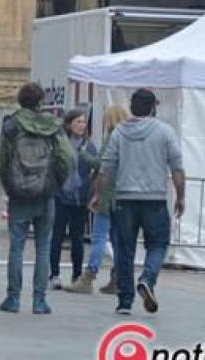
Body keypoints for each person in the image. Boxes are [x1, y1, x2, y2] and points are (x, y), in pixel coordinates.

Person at [91, 89, 185, 315]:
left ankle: (125, 301)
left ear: (132, 107)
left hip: (124, 199)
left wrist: (98, 195)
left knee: (124, 250)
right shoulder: (165, 131)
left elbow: (106, 168)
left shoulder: (119, 133)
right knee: (158, 244)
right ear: (153, 107)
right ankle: (147, 278)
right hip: (154, 199)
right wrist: (181, 196)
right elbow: (177, 167)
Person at [0, 83, 73, 315]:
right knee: (43, 247)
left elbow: (1, 159)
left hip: (19, 194)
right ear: (41, 101)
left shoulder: (10, 125)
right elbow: (66, 157)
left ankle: (13, 298)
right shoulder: (52, 125)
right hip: (46, 192)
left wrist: (10, 185)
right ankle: (39, 300)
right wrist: (56, 182)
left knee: (16, 247)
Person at [67, 104, 129, 295]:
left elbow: (102, 164)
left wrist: (85, 156)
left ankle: (89, 276)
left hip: (108, 193)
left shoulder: (112, 138)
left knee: (100, 237)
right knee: (119, 240)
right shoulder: (130, 138)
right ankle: (118, 277)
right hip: (125, 195)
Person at [50, 108, 98, 290]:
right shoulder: (61, 142)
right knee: (57, 235)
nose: (81, 125)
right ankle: (53, 274)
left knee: (78, 238)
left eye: (84, 122)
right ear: (69, 124)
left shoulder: (89, 145)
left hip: (80, 197)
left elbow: (95, 166)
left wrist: (91, 188)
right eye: (78, 121)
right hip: (61, 195)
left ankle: (77, 274)